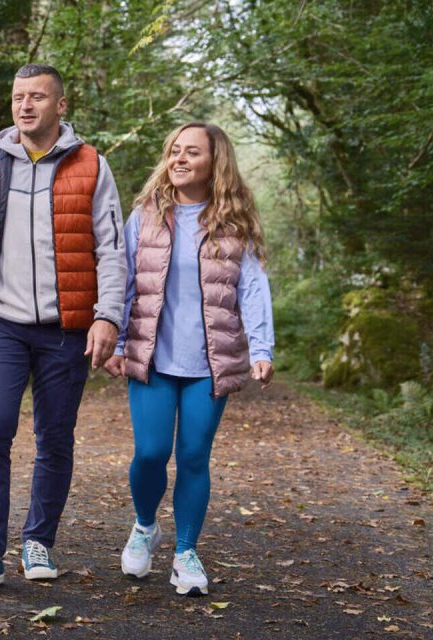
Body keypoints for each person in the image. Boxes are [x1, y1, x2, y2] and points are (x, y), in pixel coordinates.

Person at [0, 63, 126, 590]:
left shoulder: (92, 165)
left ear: (60, 105)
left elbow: (111, 249)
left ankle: (39, 540)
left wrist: (107, 315)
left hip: (66, 328)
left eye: (38, 97)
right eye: (19, 97)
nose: (26, 106)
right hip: (0, 323)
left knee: (55, 436)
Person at [104, 122, 275, 597]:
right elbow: (122, 280)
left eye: (191, 152)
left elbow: (253, 288)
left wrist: (261, 350)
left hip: (209, 363)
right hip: (153, 357)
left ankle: (185, 551)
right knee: (151, 453)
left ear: (214, 163)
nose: (179, 158)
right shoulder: (146, 216)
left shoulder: (234, 224)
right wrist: (117, 342)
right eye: (174, 151)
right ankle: (144, 525)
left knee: (195, 457)